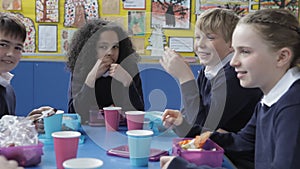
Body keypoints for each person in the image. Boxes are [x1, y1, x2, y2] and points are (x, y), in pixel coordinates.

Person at [160, 8, 300, 169]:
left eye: (245, 52)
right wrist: (185, 126)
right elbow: (241, 144)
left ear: (282, 57)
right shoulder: (271, 99)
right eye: (235, 51)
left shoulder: (293, 107)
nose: (233, 62)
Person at [160, 8, 262, 138]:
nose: (200, 44)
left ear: (232, 43)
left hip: (234, 155)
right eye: (197, 37)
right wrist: (179, 121)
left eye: (210, 37)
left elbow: (202, 125)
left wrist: (185, 77)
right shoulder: (209, 69)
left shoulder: (234, 76)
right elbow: (192, 120)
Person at [66, 18, 145, 123]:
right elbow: (74, 114)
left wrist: (128, 83)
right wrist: (90, 80)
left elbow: (138, 114)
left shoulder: (129, 69)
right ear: (92, 48)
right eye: (103, 46)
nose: (110, 52)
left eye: (115, 47)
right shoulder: (81, 69)